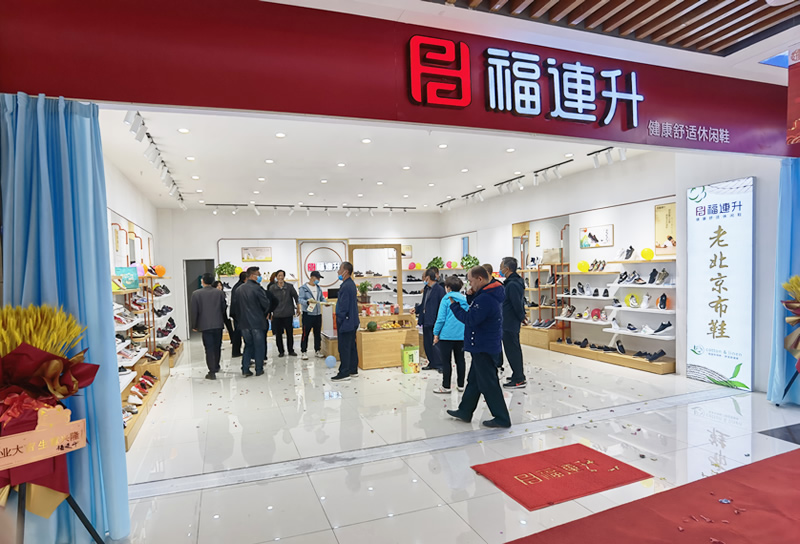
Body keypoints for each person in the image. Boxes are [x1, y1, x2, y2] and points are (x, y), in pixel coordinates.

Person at [446, 265, 511, 428]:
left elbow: (471, 319)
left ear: (480, 279)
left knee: (489, 383)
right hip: (484, 344)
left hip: (483, 346)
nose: (470, 284)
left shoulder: (485, 298)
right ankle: (465, 411)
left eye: (471, 281)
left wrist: (454, 306)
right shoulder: (488, 294)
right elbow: (478, 313)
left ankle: (502, 418)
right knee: (474, 381)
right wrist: (470, 297)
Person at [432, 275, 468, 394]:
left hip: (446, 335)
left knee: (446, 362)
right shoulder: (465, 299)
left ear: (448, 287)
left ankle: (446, 386)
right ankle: (461, 385)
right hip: (461, 335)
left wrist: (436, 333)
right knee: (460, 360)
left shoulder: (446, 299)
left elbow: (441, 319)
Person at [190, 273, 228, 380]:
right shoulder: (219, 293)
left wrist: (194, 325)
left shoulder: (196, 294)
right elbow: (223, 308)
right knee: (217, 346)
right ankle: (216, 365)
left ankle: (211, 372)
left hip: (205, 325)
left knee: (209, 348)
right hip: (218, 323)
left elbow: (194, 311)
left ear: (202, 281)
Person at [235, 266, 271, 377]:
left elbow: (236, 307)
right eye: (258, 275)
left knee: (248, 345)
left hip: (244, 323)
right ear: (252, 275)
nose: (260, 277)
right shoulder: (257, 289)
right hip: (257, 322)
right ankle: (259, 369)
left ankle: (245, 369)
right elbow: (265, 304)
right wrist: (267, 312)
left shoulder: (239, 289)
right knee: (259, 346)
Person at [499, 257, 527, 389]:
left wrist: (522, 316)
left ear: (507, 268)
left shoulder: (513, 284)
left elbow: (517, 303)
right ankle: (518, 374)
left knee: (512, 350)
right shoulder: (512, 282)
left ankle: (519, 379)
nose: (500, 269)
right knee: (511, 349)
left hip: (509, 321)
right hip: (508, 320)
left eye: (501, 267)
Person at [332, 261, 359, 381]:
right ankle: (353, 369)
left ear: (346, 272)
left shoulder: (346, 286)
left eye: (340, 269)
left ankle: (344, 372)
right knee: (351, 346)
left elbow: (344, 305)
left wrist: (340, 318)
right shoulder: (351, 284)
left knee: (344, 347)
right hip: (352, 320)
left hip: (346, 321)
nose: (338, 272)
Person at [414, 267, 445, 371]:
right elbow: (424, 304)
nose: (423, 279)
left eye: (424, 277)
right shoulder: (426, 289)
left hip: (435, 320)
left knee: (436, 344)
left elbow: (442, 306)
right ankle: (431, 362)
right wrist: (416, 309)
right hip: (426, 320)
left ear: (428, 277)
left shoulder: (439, 290)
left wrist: (440, 321)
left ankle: (440, 364)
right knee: (427, 344)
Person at [268, 270, 301, 357]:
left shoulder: (289, 287)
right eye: (279, 275)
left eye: (282, 275)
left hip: (288, 313)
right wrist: (269, 312)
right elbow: (269, 301)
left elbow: (296, 297)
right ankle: (281, 351)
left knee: (289, 333)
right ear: (276, 277)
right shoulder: (272, 288)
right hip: (277, 314)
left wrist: (298, 307)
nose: (280, 277)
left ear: (284, 276)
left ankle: (291, 350)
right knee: (278, 334)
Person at [298, 270, 326, 360]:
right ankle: (303, 351)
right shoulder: (303, 288)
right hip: (308, 314)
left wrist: (325, 302)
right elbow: (300, 300)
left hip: (318, 314)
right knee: (305, 333)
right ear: (312, 277)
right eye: (317, 278)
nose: (318, 280)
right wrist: (307, 302)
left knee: (317, 333)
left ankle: (317, 350)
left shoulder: (318, 288)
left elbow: (321, 298)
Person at [229, 271, 247, 357]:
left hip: (236, 312)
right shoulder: (241, 287)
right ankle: (236, 352)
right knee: (238, 332)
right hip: (239, 313)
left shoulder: (237, 286)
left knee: (238, 332)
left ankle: (236, 351)